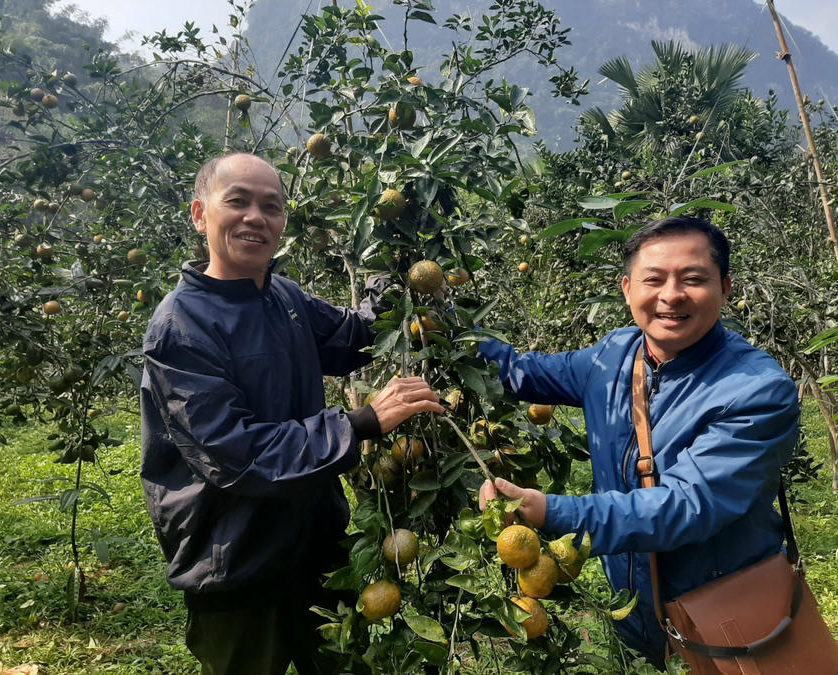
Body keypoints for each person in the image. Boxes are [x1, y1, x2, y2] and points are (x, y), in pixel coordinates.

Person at [140, 152, 444, 674]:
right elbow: (234, 453)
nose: (255, 217)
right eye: (237, 201)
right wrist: (362, 422)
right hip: (236, 565)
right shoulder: (180, 328)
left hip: (317, 549)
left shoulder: (284, 298)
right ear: (200, 213)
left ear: (283, 223)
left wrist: (401, 261)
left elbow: (355, 336)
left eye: (271, 207)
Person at [477, 216, 799, 668]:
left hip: (724, 610)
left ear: (725, 288)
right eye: (654, 280)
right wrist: (437, 323)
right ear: (628, 289)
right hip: (634, 605)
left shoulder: (757, 390)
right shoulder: (613, 356)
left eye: (693, 279)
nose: (670, 296)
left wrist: (554, 511)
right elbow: (519, 372)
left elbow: (687, 505)